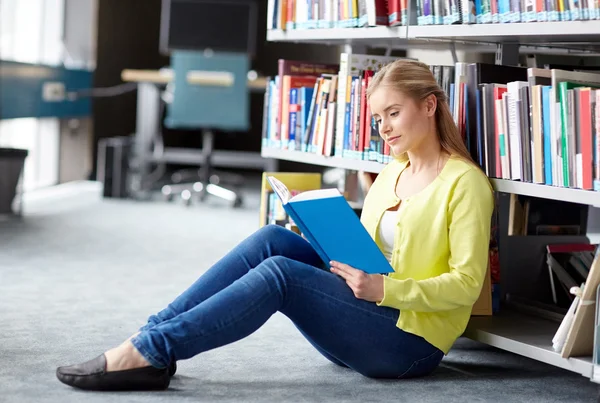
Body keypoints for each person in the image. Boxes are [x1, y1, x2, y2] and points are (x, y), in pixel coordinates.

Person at [56, 59, 494, 391]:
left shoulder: (465, 184)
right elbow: (373, 253)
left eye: (393, 114)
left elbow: (466, 285)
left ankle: (149, 353)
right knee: (274, 239)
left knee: (281, 276)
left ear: (430, 105)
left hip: (408, 344)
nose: (383, 128)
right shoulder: (391, 172)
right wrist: (325, 237)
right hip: (367, 314)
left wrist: (387, 291)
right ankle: (149, 334)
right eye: (378, 118)